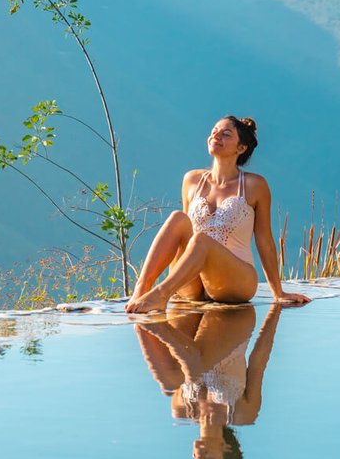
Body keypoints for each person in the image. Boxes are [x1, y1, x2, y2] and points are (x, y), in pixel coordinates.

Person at [124, 116, 311, 313]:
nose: (216, 135)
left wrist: (278, 293)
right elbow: (183, 235)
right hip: (195, 283)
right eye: (214, 130)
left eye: (226, 134)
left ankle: (160, 295)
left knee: (201, 240)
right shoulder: (192, 179)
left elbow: (264, 241)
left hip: (236, 279)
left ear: (241, 148)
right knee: (177, 218)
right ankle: (141, 291)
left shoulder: (255, 185)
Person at [133, 301, 287, 459]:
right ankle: (152, 315)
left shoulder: (181, 409)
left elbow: (171, 360)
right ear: (227, 449)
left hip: (190, 313)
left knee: (168, 384)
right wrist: (275, 313)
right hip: (231, 319)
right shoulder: (243, 413)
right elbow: (258, 362)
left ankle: (142, 324)